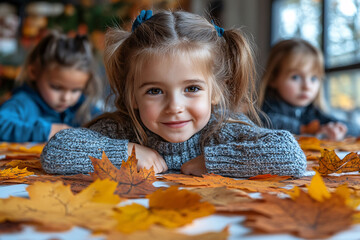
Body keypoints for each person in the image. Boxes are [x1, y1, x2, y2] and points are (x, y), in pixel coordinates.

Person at [41, 10, 306, 177]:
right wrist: (125, 152)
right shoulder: (124, 130)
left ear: (215, 92)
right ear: (132, 95)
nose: (174, 106)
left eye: (191, 89)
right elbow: (55, 152)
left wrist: (215, 161)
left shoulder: (222, 131)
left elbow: (289, 154)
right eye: (155, 91)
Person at [0, 31, 103, 142]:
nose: (66, 98)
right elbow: (2, 124)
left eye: (76, 90)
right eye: (57, 87)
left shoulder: (82, 105)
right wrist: (46, 131)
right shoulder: (23, 102)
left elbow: (105, 123)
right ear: (34, 72)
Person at [259, 38, 360, 141]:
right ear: (273, 79)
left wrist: (338, 129)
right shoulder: (262, 109)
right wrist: (306, 129)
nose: (307, 86)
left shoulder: (314, 112)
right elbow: (264, 121)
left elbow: (356, 129)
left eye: (313, 78)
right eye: (295, 77)